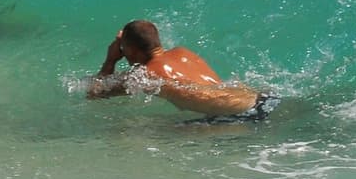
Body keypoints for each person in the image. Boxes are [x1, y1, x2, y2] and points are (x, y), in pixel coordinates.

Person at [86, 19, 276, 120]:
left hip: (243, 116)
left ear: (131, 50)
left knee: (153, 133)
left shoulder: (145, 74)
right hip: (264, 98)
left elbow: (94, 93)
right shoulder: (183, 52)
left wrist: (110, 60)